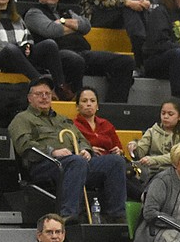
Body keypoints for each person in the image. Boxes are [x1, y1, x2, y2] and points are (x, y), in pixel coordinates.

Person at [9, 77, 128, 224]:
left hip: (74, 164)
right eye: (39, 94)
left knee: (115, 161)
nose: (44, 97)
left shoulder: (63, 119)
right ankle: (68, 214)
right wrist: (53, 152)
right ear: (29, 98)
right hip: (45, 165)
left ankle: (116, 215)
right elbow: (25, 147)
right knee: (76, 162)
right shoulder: (22, 119)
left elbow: (82, 140)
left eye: (47, 93)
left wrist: (86, 151)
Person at [24, 0, 135, 102]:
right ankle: (75, 98)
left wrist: (62, 21)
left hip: (82, 52)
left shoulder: (66, 12)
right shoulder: (33, 13)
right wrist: (74, 26)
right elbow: (51, 30)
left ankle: (114, 108)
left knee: (125, 62)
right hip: (56, 56)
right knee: (75, 59)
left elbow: (86, 26)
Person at [0, 0, 72, 95]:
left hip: (21, 55)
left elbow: (27, 36)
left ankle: (60, 87)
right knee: (10, 49)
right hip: (0, 59)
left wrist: (27, 45)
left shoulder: (17, 17)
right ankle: (40, 82)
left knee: (49, 44)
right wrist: (19, 48)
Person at [132, 99, 180, 181]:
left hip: (175, 172)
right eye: (163, 113)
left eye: (170, 114)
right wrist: (134, 146)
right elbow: (140, 153)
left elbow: (178, 156)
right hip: (152, 172)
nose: (165, 116)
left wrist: (154, 160)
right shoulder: (152, 131)